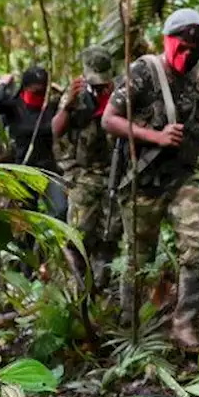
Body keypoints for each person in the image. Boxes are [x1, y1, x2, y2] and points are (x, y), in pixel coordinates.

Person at [101, 8, 199, 351]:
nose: (189, 53)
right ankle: (131, 329)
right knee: (138, 260)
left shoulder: (193, 81)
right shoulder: (144, 72)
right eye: (183, 45)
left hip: (179, 180)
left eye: (195, 47)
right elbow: (109, 119)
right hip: (142, 182)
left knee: (198, 242)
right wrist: (155, 136)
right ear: (168, 41)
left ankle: (184, 324)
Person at [53, 46, 120, 288]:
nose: (100, 86)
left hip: (115, 173)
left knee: (110, 232)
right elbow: (56, 129)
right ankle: (78, 285)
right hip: (84, 173)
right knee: (80, 233)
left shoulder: (120, 92)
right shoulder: (76, 95)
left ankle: (101, 285)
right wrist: (67, 106)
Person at [0, 66, 68, 219]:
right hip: (23, 171)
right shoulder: (14, 107)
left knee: (60, 210)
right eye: (35, 92)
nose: (39, 95)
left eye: (43, 91)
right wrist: (3, 83)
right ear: (25, 88)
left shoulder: (51, 107)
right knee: (26, 217)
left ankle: (49, 242)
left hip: (49, 170)